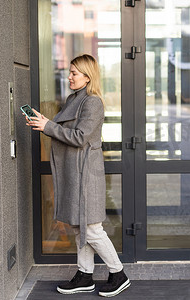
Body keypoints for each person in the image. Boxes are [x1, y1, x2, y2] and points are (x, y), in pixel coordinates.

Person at [25, 54, 130, 297]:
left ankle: (118, 273)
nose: (69, 77)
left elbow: (80, 137)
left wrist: (48, 127)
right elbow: (68, 131)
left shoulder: (92, 102)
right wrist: (46, 122)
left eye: (74, 73)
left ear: (87, 76)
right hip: (75, 172)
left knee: (92, 229)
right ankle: (85, 275)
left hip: (85, 175)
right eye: (69, 72)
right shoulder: (75, 98)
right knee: (79, 227)